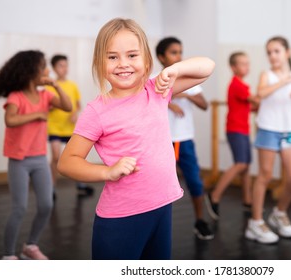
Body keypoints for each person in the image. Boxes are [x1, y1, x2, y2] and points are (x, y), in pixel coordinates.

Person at [57, 18, 215, 259]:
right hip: (121, 219)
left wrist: (174, 69)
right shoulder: (97, 111)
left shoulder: (157, 90)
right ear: (100, 63)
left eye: (132, 55)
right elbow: (67, 162)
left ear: (146, 60)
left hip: (162, 207)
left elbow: (207, 67)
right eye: (112, 57)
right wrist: (107, 172)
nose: (123, 64)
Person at [0, 50, 72, 260]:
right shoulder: (16, 96)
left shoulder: (45, 95)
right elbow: (10, 120)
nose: (46, 71)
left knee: (46, 205)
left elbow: (67, 106)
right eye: (42, 66)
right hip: (19, 160)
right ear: (29, 71)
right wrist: (37, 114)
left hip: (39, 159)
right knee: (20, 208)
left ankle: (30, 246)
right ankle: (8, 255)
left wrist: (56, 85)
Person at [245, 36, 291, 244]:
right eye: (269, 52)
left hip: (288, 132)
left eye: (276, 51)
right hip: (268, 129)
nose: (272, 56)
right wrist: (282, 82)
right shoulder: (267, 75)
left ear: (287, 53)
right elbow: (261, 93)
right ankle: (255, 222)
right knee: (265, 176)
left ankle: (279, 213)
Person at [155, 37, 214, 240]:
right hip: (161, 141)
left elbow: (205, 105)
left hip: (185, 139)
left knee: (195, 183)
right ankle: (156, 228)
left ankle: (200, 221)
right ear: (161, 57)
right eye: (173, 52)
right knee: (159, 187)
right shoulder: (155, 78)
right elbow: (149, 103)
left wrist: (185, 94)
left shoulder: (189, 79)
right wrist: (169, 100)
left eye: (180, 51)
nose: (178, 56)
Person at [205, 51, 258, 220]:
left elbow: (250, 106)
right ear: (233, 67)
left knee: (247, 166)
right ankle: (215, 195)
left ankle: (247, 201)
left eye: (247, 63)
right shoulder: (237, 84)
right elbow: (256, 101)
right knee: (241, 164)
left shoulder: (242, 85)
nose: (246, 67)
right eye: (242, 63)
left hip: (243, 129)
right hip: (236, 129)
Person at [46, 54, 94, 199]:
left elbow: (77, 105)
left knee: (76, 156)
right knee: (55, 157)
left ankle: (80, 184)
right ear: (54, 68)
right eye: (61, 66)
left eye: (66, 65)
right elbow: (45, 105)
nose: (64, 69)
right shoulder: (50, 87)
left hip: (70, 128)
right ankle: (52, 187)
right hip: (54, 127)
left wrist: (75, 113)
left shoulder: (72, 85)